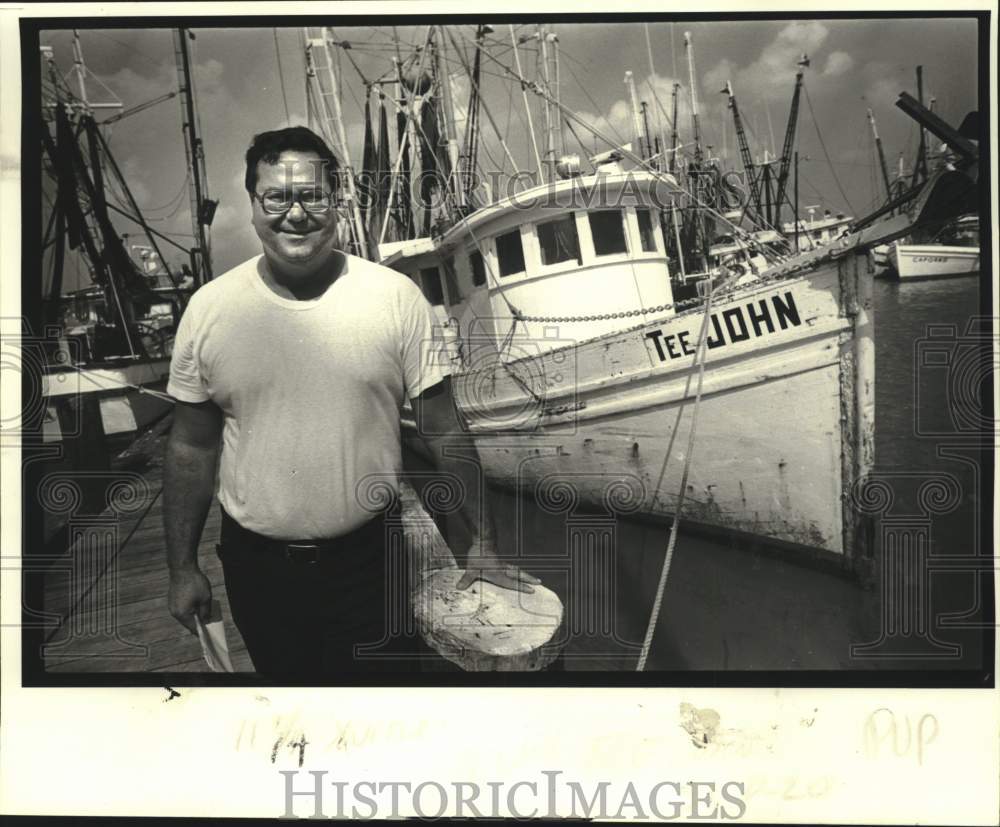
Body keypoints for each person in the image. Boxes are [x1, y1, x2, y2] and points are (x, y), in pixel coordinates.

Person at [164, 126, 538, 675]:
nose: (296, 213)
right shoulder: (209, 310)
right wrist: (181, 568)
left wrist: (482, 544)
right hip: (257, 569)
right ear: (253, 205)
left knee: (381, 711)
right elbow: (191, 448)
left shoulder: (395, 298)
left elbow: (443, 429)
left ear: (334, 201)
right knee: (292, 713)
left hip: (373, 562)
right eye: (277, 196)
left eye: (312, 195)